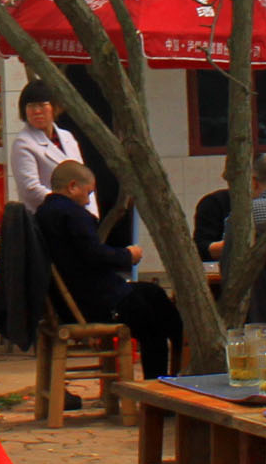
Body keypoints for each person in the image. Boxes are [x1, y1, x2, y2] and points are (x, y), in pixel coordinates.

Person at [35, 161, 178, 377]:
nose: (88, 200)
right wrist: (128, 255)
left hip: (73, 299)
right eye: (88, 193)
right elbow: (95, 255)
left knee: (155, 294)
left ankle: (182, 346)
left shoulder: (44, 213)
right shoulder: (72, 214)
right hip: (97, 303)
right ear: (72, 186)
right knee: (154, 327)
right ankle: (160, 387)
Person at [7, 88, 90, 215]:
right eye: (31, 106)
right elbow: (30, 189)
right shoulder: (23, 143)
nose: (37, 111)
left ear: (54, 107)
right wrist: (68, 204)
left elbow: (84, 178)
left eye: (42, 105)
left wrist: (90, 213)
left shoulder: (67, 137)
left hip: (78, 216)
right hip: (47, 217)